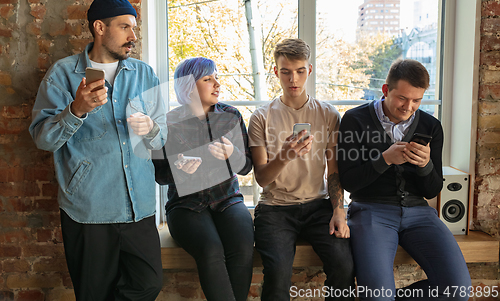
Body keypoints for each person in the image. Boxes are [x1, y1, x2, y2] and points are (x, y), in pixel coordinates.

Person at [29, 0, 166, 300]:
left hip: (139, 207)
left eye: (135, 27)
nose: (134, 36)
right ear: (100, 27)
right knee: (93, 293)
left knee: (149, 284)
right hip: (89, 210)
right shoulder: (62, 75)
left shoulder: (144, 74)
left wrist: (152, 129)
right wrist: (76, 110)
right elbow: (43, 139)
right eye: (125, 27)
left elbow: (163, 135)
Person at [337, 58, 471, 300]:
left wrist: (425, 165)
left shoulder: (432, 126)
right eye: (402, 98)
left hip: (420, 213)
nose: (409, 107)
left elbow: (432, 190)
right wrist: (384, 159)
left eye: (417, 100)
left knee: (458, 291)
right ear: (386, 90)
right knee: (377, 295)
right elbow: (349, 181)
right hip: (370, 210)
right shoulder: (354, 120)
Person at [248, 38, 355, 301]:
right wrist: (284, 156)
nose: (292, 79)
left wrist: (338, 211)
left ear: (309, 70)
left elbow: (334, 170)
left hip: (318, 206)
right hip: (275, 208)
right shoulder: (261, 117)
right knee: (277, 275)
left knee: (344, 266)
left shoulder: (328, 114)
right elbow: (262, 178)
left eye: (299, 71)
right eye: (285, 72)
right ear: (276, 72)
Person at [152, 57, 254, 301]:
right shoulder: (168, 122)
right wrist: (179, 169)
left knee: (242, 247)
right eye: (208, 79)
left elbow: (246, 167)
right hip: (186, 205)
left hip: (227, 199)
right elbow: (159, 175)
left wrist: (233, 154)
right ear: (188, 87)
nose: (217, 84)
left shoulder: (231, 116)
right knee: (211, 250)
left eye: (216, 77)